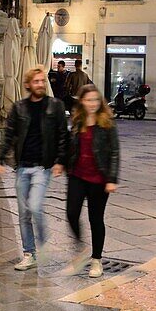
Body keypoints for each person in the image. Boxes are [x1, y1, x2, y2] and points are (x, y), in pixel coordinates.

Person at [0, 67, 69, 271]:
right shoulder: (19, 107)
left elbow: (64, 135)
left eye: (42, 81)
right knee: (23, 213)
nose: (40, 84)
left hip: (42, 167)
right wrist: (0, 159)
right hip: (22, 167)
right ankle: (29, 254)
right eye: (36, 81)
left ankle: (43, 242)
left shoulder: (55, 106)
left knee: (34, 206)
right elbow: (9, 135)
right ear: (28, 84)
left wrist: (60, 160)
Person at [65, 84, 120, 278]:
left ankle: (96, 260)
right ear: (82, 101)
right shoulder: (77, 121)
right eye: (89, 100)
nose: (93, 104)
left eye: (96, 100)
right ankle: (80, 249)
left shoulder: (107, 122)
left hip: (99, 178)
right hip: (77, 176)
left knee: (95, 219)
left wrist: (111, 179)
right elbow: (70, 147)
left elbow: (114, 151)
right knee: (71, 213)